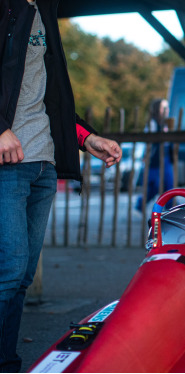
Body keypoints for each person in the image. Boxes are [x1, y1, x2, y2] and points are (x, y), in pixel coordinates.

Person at [0, 0, 122, 371]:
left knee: (20, 278)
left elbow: (52, 97)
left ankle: (7, 363)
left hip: (43, 163)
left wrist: (87, 139)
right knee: (8, 270)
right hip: (6, 163)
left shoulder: (44, 12)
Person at [135, 99, 174, 211]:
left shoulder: (167, 122)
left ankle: (170, 210)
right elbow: (150, 142)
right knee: (154, 185)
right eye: (163, 107)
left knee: (169, 185)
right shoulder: (152, 123)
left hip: (166, 156)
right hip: (155, 158)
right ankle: (140, 204)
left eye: (167, 107)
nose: (166, 110)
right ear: (158, 109)